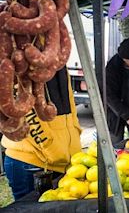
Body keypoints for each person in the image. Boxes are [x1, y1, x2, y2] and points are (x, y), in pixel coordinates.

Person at [1, 68, 82, 200]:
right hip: (30, 162)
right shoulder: (19, 61)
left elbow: (71, 105)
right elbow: (27, 113)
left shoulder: (57, 61)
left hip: (59, 161)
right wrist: (52, 150)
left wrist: (73, 144)